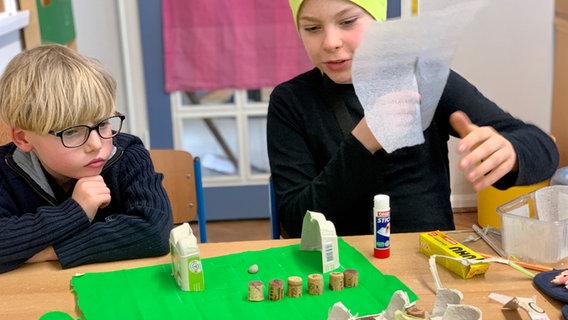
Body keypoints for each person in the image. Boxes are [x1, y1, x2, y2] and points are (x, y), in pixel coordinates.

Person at [267, 0, 559, 238]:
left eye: (347, 22)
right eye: (312, 28)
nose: (330, 42)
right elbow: (296, 223)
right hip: (339, 271)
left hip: (428, 262)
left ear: (377, 20)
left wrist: (511, 152)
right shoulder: (291, 101)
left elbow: (543, 149)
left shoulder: (423, 78)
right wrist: (363, 143)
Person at [0, 44, 173, 273]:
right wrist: (75, 211)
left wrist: (49, 251)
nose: (96, 144)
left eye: (102, 123)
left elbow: (153, 231)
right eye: (71, 131)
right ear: (23, 138)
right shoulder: (5, 171)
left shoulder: (127, 154)